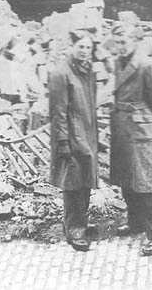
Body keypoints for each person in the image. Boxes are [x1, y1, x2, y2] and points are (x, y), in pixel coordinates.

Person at [110, 24, 152, 256]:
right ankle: (136, 223)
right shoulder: (116, 62)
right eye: (117, 41)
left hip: (141, 127)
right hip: (121, 126)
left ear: (134, 40)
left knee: (146, 182)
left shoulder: (146, 65)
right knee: (127, 179)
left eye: (124, 41)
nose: (120, 46)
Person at [48, 33, 98, 252]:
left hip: (86, 135)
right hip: (71, 136)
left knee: (85, 181)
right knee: (73, 184)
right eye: (81, 46)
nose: (84, 50)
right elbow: (57, 112)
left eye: (88, 47)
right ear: (73, 46)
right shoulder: (61, 73)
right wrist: (62, 142)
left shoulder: (87, 71)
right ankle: (74, 229)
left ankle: (80, 224)